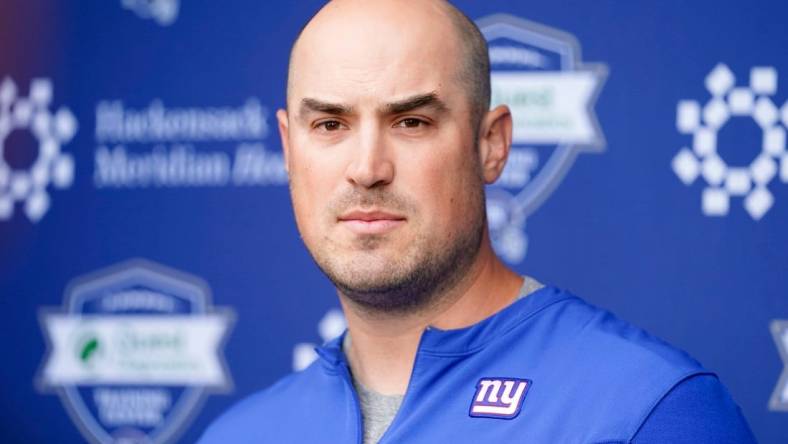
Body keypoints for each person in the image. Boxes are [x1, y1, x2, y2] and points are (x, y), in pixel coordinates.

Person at [200, 1, 756, 442]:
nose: (367, 169)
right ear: (289, 148)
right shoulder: (240, 433)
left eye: (411, 121)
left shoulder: (649, 411)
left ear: (491, 145)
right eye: (329, 125)